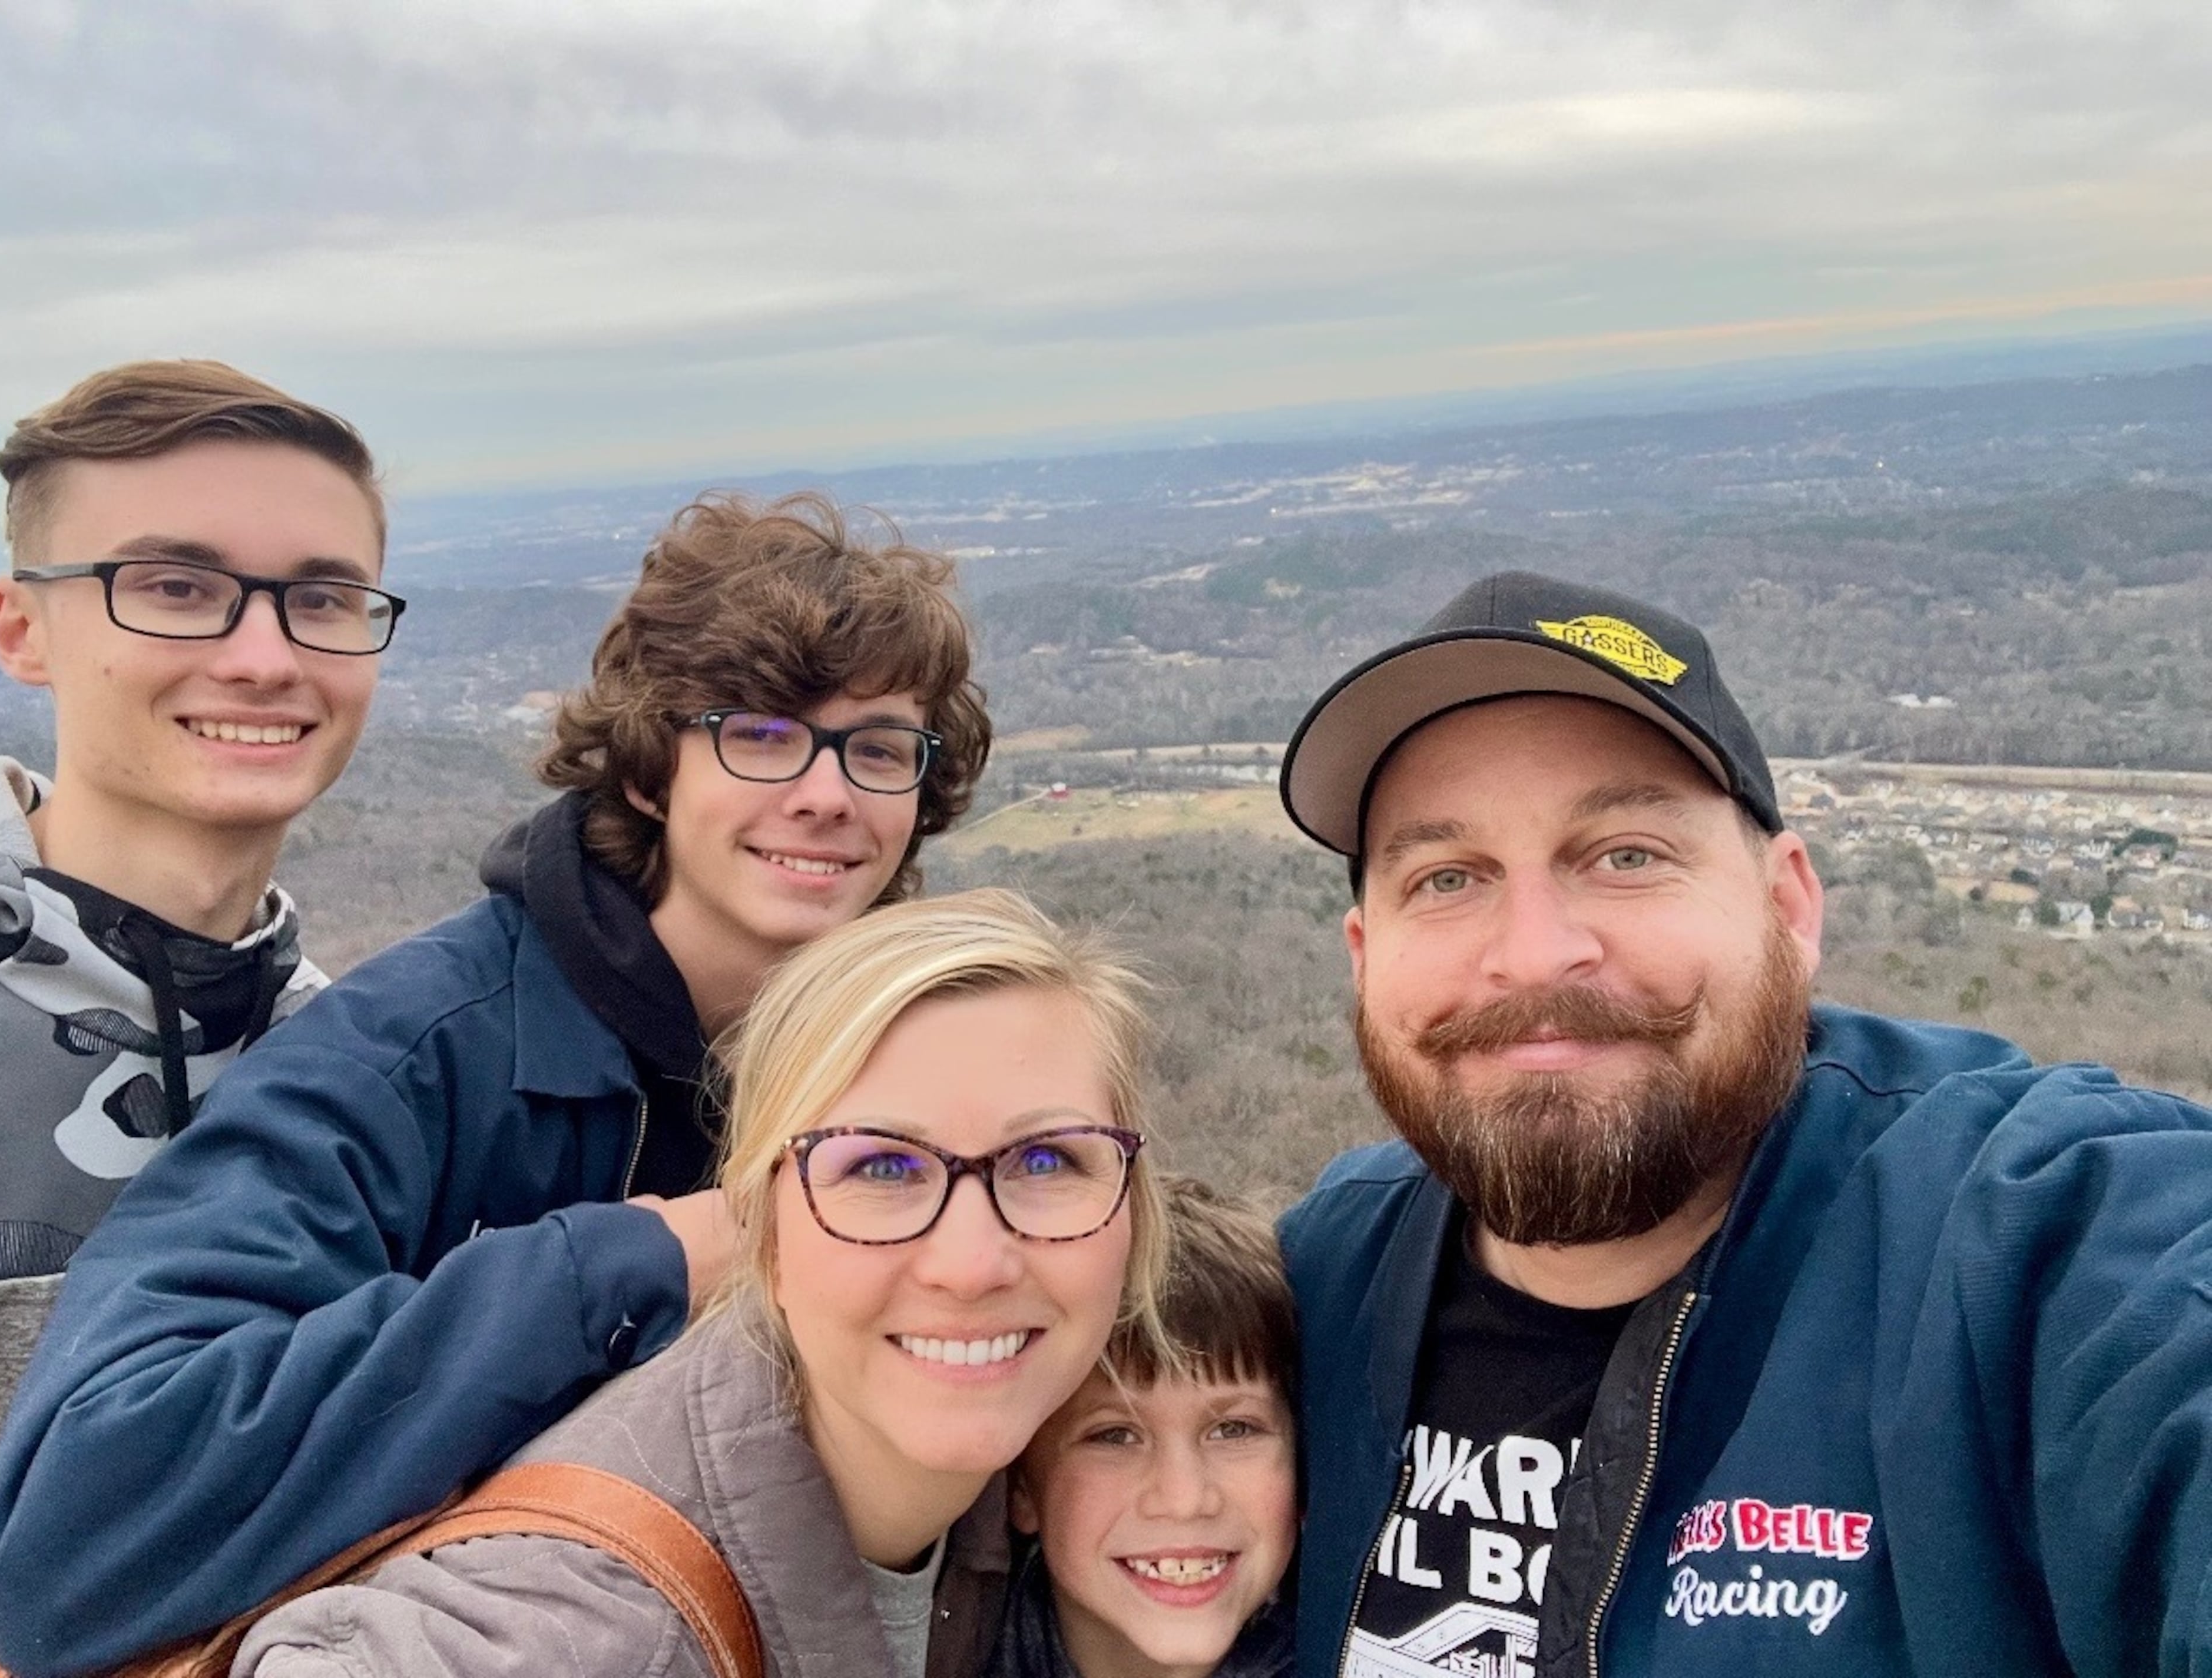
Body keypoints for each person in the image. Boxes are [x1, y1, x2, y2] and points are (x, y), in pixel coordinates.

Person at [0, 491, 992, 1676]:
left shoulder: (903, 1055)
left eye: (877, 749)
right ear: (653, 771)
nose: (826, 793)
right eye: (759, 733)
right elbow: (61, 1546)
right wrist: (632, 1264)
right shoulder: (410, 1060)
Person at [1274, 570, 2212, 1677]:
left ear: (1789, 907)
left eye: (1627, 855)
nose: (1533, 951)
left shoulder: (2024, 1240)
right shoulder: (1307, 1288)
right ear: (1364, 954)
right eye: (1445, 878)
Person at [229, 887, 1168, 1677]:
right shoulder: (594, 1626)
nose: (972, 1263)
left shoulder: (991, 1493)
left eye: (1048, 1161)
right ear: (762, 1231)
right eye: (881, 1168)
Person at [0, 359, 393, 1539]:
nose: (264, 657)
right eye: (175, 587)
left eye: (324, 597)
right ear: (20, 628)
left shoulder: (347, 1066)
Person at [999, 1176, 1298, 1678]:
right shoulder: (939, 1652)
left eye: (1234, 1430)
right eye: (1114, 1435)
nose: (1184, 1499)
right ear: (1021, 1486)